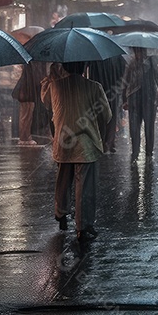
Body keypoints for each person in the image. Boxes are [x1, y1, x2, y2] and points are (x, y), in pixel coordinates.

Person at [41, 61, 112, 242]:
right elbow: (107, 114)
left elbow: (47, 104)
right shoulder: (94, 87)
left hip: (63, 142)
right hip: (86, 144)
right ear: (84, 67)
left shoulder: (54, 86)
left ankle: (61, 212)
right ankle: (83, 225)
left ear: (64, 67)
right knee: (84, 186)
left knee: (63, 180)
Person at [123, 48, 158, 161]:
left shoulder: (150, 62)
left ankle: (148, 152)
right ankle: (135, 152)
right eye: (136, 51)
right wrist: (124, 99)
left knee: (149, 126)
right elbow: (125, 81)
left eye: (140, 51)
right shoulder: (131, 64)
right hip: (135, 99)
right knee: (134, 127)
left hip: (148, 97)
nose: (138, 54)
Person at [86, 55, 126, 153]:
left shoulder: (94, 57)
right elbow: (123, 72)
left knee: (100, 116)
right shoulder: (118, 57)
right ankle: (110, 142)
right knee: (112, 116)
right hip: (113, 91)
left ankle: (102, 142)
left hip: (99, 91)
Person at [12, 61, 50, 146]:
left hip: (26, 93)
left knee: (26, 116)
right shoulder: (30, 74)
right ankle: (24, 138)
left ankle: (25, 137)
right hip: (27, 94)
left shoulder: (27, 70)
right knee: (26, 116)